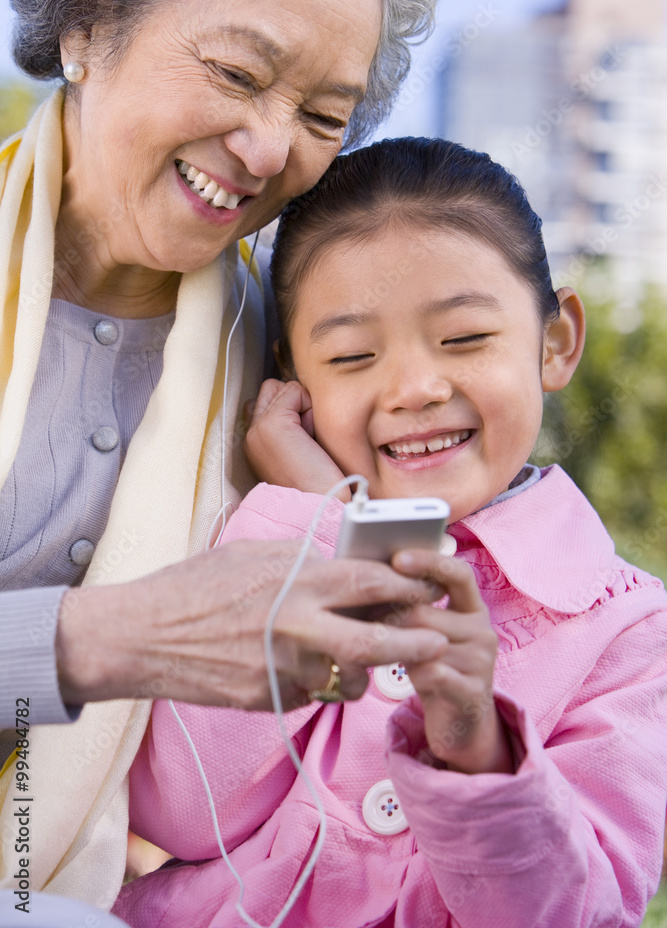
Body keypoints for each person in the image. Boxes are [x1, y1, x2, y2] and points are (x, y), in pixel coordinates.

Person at [0, 0, 446, 914]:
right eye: (238, 71)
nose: (268, 148)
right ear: (87, 25)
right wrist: (102, 639)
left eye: (325, 115)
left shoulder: (289, 373)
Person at [114, 139, 667, 928]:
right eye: (351, 355)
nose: (412, 388)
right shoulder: (271, 536)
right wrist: (322, 528)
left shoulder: (626, 631)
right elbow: (178, 810)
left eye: (465, 338)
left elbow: (575, 913)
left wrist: (475, 742)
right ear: (294, 379)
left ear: (555, 341)